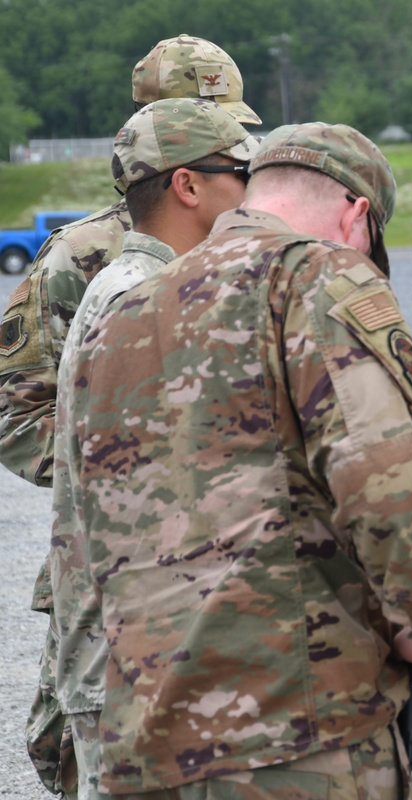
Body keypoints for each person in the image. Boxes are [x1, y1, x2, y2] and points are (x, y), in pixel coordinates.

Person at [59, 121, 412, 797]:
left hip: (145, 747)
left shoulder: (120, 317)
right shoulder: (318, 273)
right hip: (299, 738)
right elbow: (389, 485)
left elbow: (82, 534)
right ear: (357, 215)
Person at [0, 35, 261, 795]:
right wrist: (118, 472)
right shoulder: (86, 258)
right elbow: (15, 407)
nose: (237, 155)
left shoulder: (251, 237)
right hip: (116, 574)